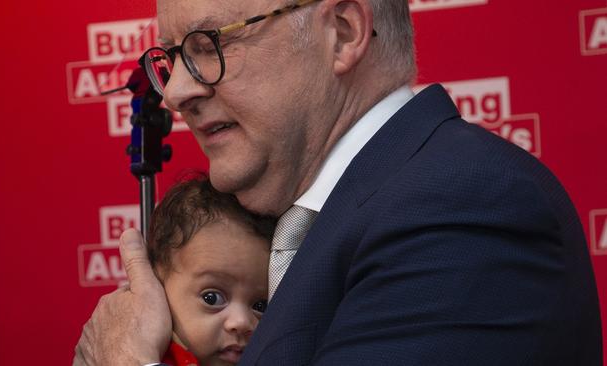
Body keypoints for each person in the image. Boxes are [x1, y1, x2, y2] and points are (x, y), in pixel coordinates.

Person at [74, 0, 603, 365]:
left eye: (207, 45)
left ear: (344, 32)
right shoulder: (316, 220)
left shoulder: (463, 208)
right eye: (172, 58)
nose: (177, 92)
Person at [146, 177, 274, 365]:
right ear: (157, 286)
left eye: (261, 306)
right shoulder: (121, 351)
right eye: (211, 298)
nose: (241, 322)